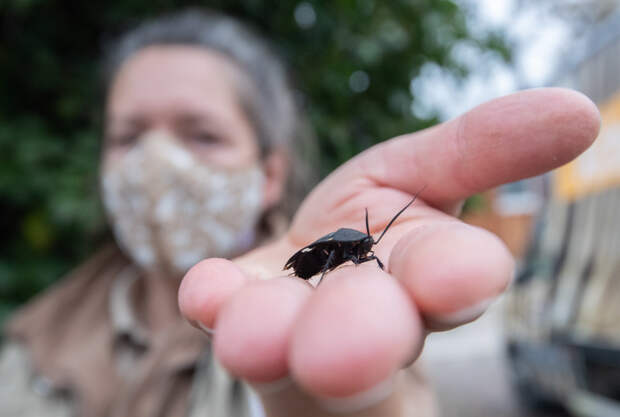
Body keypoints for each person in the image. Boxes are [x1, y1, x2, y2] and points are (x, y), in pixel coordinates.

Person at [1, 8, 601, 417]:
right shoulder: (22, 352)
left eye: (202, 135)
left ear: (270, 174)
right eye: (130, 135)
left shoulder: (317, 318)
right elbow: (331, 257)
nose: (159, 161)